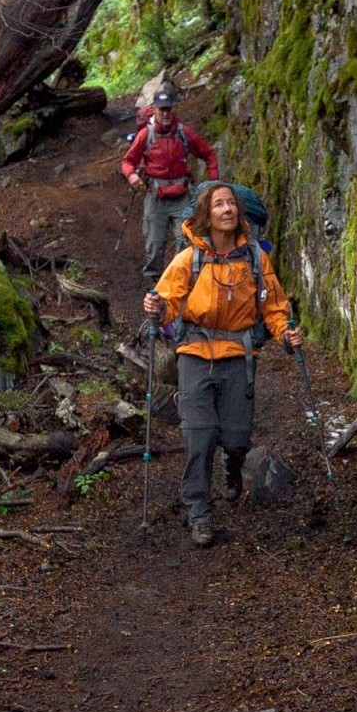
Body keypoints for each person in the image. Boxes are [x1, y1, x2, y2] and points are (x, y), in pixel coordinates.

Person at [143, 180, 304, 547]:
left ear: (239, 213)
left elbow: (274, 308)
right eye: (218, 205)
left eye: (231, 204)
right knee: (198, 435)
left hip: (238, 357)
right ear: (206, 215)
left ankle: (234, 466)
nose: (227, 210)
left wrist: (285, 335)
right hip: (195, 355)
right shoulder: (189, 259)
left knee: (235, 437)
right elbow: (167, 301)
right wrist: (157, 308)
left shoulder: (254, 259)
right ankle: (199, 513)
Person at [121, 80, 218, 274]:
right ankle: (155, 290)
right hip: (155, 196)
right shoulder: (145, 135)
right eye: (161, 110)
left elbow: (208, 154)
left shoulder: (183, 133)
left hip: (182, 196)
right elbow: (127, 161)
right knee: (155, 246)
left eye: (168, 109)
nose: (165, 114)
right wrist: (131, 175)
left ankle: (183, 285)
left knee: (187, 242)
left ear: (172, 109)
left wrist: (213, 184)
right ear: (155, 110)